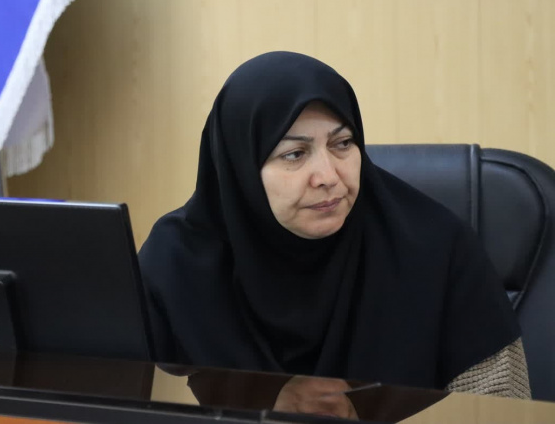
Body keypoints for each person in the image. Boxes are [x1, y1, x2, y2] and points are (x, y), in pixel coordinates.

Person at [138, 51, 531, 399]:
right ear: (240, 169)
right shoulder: (174, 263)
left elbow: (497, 410)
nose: (328, 175)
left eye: (342, 144)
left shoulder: (439, 251)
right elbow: (124, 398)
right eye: (294, 154)